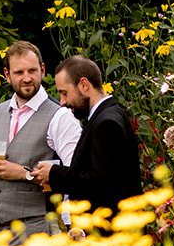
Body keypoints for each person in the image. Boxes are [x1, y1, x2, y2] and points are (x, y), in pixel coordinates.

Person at [0, 41, 80, 239]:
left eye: (32, 71)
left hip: (36, 229)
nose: (27, 78)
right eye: (19, 73)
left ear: (43, 70)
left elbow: (77, 175)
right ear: (7, 75)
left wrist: (23, 174)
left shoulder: (60, 116)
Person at [35, 55, 143, 222]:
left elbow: (99, 183)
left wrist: (54, 174)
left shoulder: (106, 123)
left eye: (64, 93)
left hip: (112, 234)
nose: (62, 102)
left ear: (84, 85)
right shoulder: (108, 114)